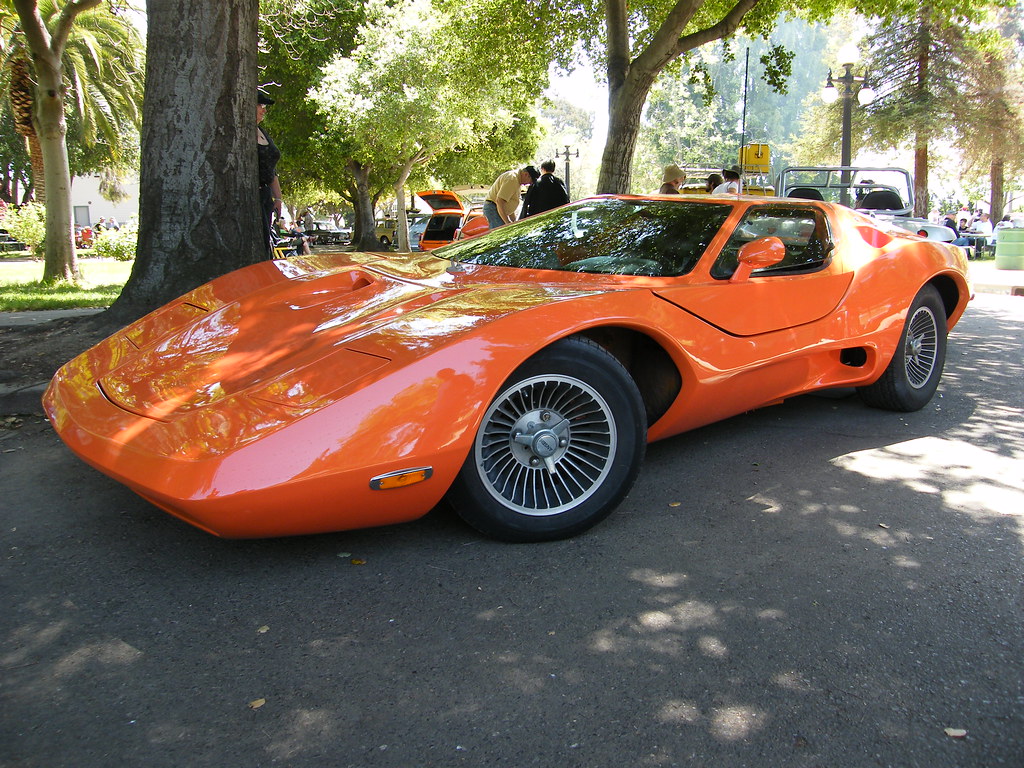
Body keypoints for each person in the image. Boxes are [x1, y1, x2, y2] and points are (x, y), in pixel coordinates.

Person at [257, 90, 282, 256]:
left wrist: (278, 198)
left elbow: (271, 169)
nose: (264, 110)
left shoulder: (263, 132)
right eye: (260, 105)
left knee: (266, 242)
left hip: (265, 196)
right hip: (253, 197)